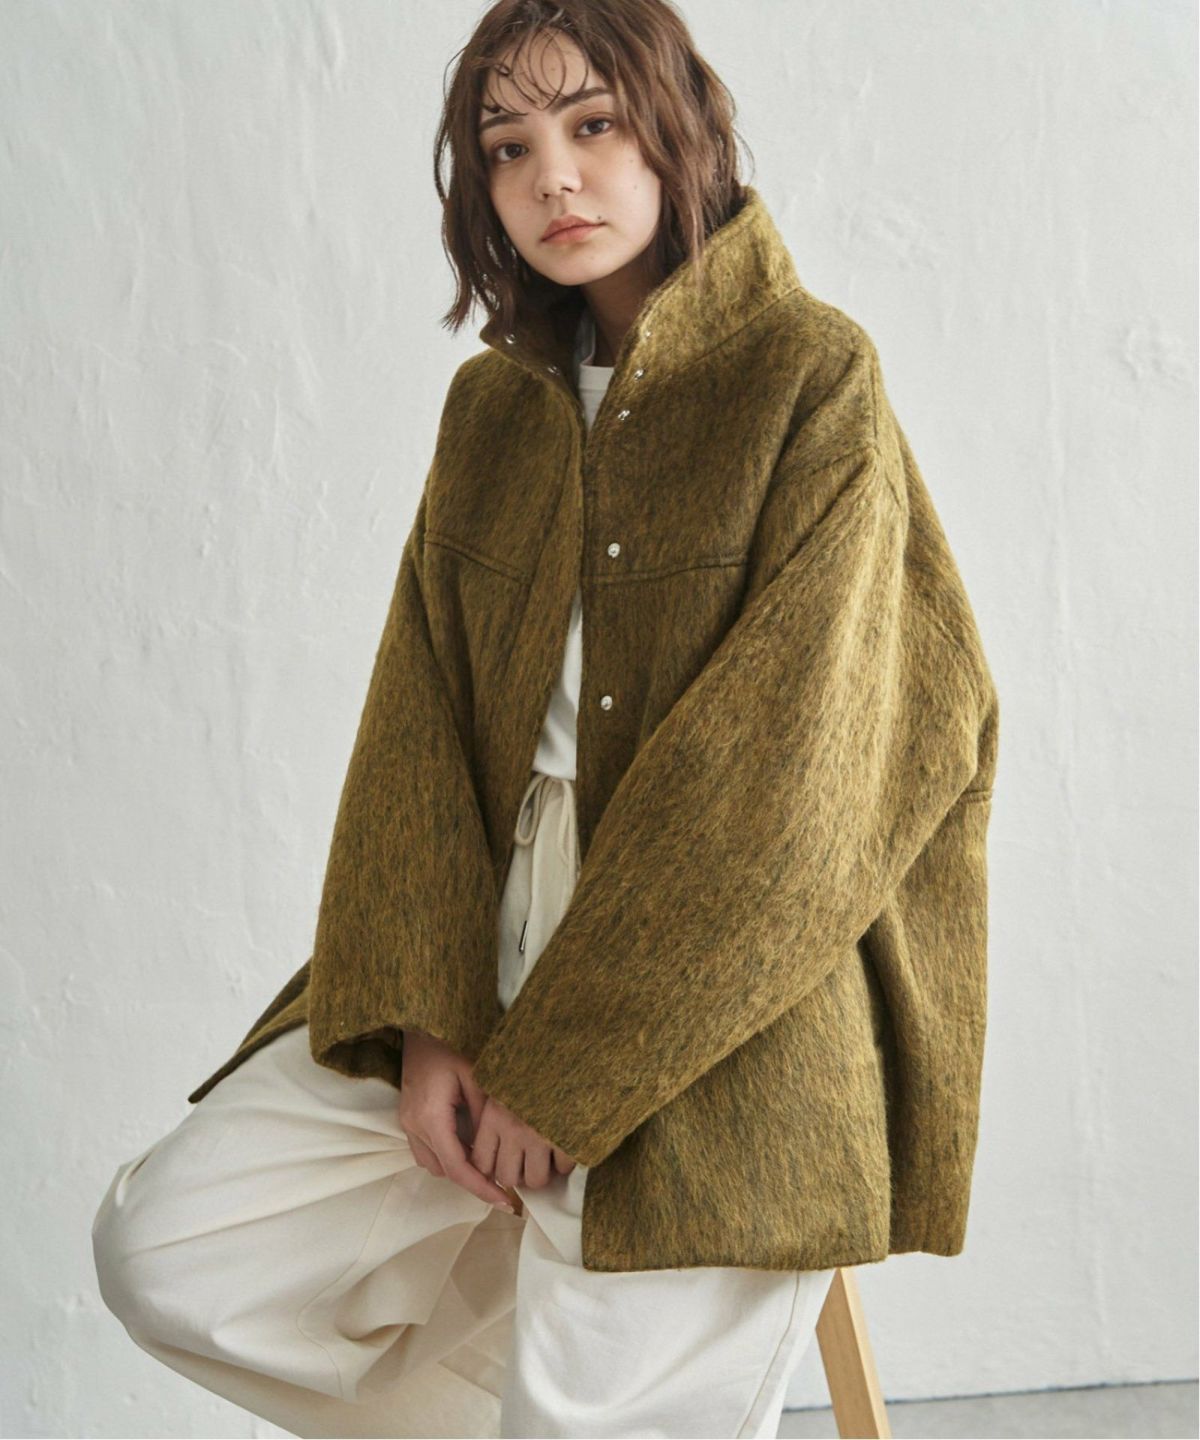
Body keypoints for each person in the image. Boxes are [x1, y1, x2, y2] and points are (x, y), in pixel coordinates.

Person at [92, 2, 999, 1437]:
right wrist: (430, 1019)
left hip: (716, 1000)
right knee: (174, 1250)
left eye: (593, 124)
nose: (551, 178)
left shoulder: (808, 375)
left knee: (587, 1415)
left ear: (679, 126)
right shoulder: (491, 413)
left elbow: (791, 787)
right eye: (507, 146)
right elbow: (420, 726)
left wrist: (573, 1064)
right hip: (493, 944)